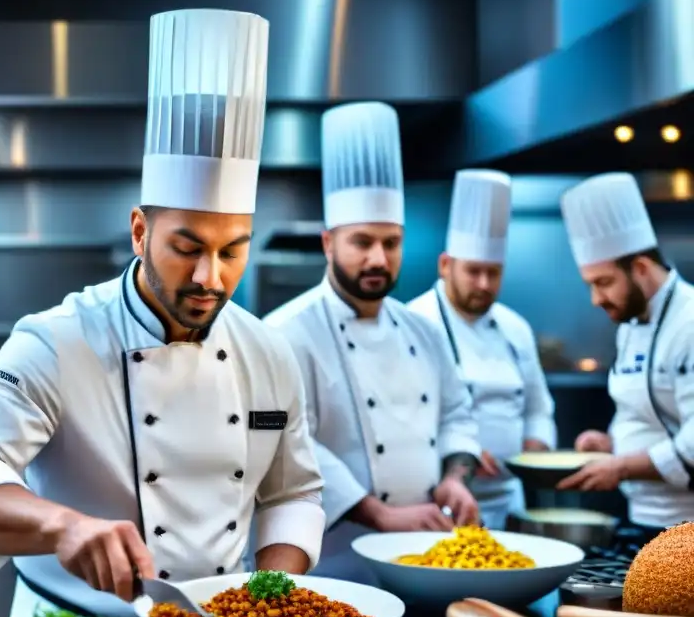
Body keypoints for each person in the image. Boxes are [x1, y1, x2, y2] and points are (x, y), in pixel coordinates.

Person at [0, 9, 325, 617]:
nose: (209, 278)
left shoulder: (267, 351)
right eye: (186, 248)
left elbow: (293, 492)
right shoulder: (57, 340)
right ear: (140, 231)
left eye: (232, 250)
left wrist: (264, 603)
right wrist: (61, 526)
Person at [263, 101, 481, 561]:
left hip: (426, 548)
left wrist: (454, 477)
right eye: (362, 242)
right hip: (329, 555)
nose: (379, 259)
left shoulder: (423, 329)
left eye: (391, 243)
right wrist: (375, 512)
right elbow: (279, 436)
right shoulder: (283, 332)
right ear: (328, 242)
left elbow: (458, 412)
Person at [408, 170, 557, 530]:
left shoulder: (515, 327)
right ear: (445, 265)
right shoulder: (414, 322)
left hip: (510, 499)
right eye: (474, 271)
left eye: (494, 273)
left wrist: (536, 446)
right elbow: (408, 423)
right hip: (443, 503)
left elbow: (538, 407)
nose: (484, 284)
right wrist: (465, 456)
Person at [557, 172, 694, 532]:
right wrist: (611, 444)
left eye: (603, 283)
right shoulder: (631, 325)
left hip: (686, 528)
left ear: (640, 268)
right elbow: (648, 417)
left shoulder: (689, 322)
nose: (596, 299)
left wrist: (620, 467)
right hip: (640, 517)